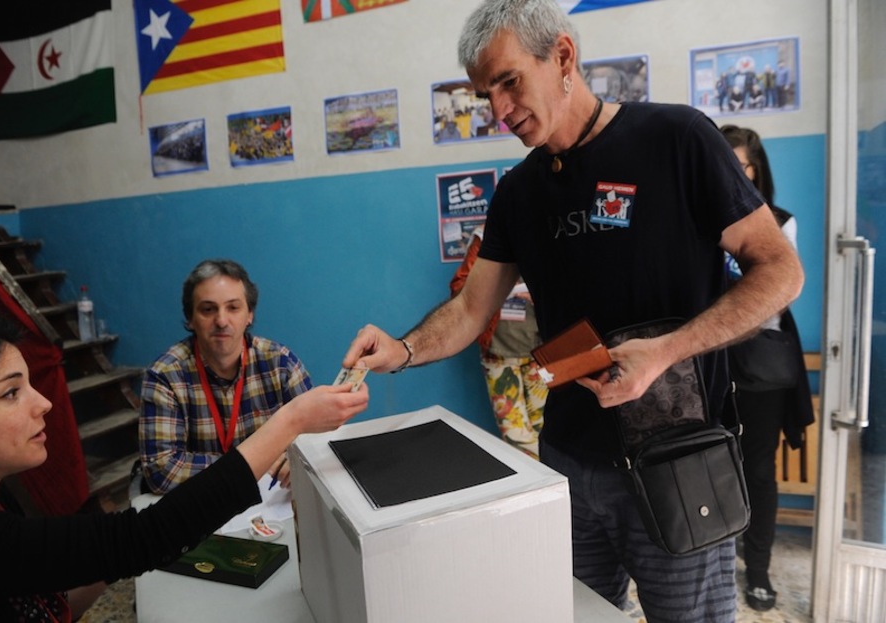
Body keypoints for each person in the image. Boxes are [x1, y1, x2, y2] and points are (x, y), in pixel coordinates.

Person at [341, 1, 803, 621]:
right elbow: (472, 308)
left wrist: (665, 351)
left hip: (679, 459)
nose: (499, 110)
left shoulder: (678, 139)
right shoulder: (519, 192)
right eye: (485, 94)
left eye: (509, 82)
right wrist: (400, 350)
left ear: (562, 57)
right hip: (568, 463)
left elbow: (780, 270)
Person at [0, 292, 368, 620]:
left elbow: (54, 592)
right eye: (10, 393)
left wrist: (106, 552)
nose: (43, 404)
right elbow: (145, 527)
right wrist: (289, 422)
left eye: (233, 308)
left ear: (250, 315)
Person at [720, 124, 815, 612]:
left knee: (758, 469)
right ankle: (721, 556)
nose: (734, 176)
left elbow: (772, 298)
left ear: (758, 172)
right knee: (718, 467)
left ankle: (757, 571)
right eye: (725, 166)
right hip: (712, 364)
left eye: (743, 168)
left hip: (759, 365)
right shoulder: (700, 220)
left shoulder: (780, 222)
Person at [139, 259, 312, 495]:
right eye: (208, 309)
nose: (221, 321)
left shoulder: (280, 363)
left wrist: (296, 461)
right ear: (190, 318)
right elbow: (162, 471)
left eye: (233, 307)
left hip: (272, 504)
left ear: (249, 315)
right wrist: (254, 464)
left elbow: (316, 439)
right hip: (202, 507)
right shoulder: (165, 375)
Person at [450, 225, 547, 458]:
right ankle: (542, 488)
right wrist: (500, 288)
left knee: (548, 430)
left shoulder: (550, 232)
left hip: (544, 351)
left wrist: (541, 295)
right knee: (517, 437)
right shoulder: (486, 237)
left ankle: (556, 485)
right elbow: (459, 289)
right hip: (499, 351)